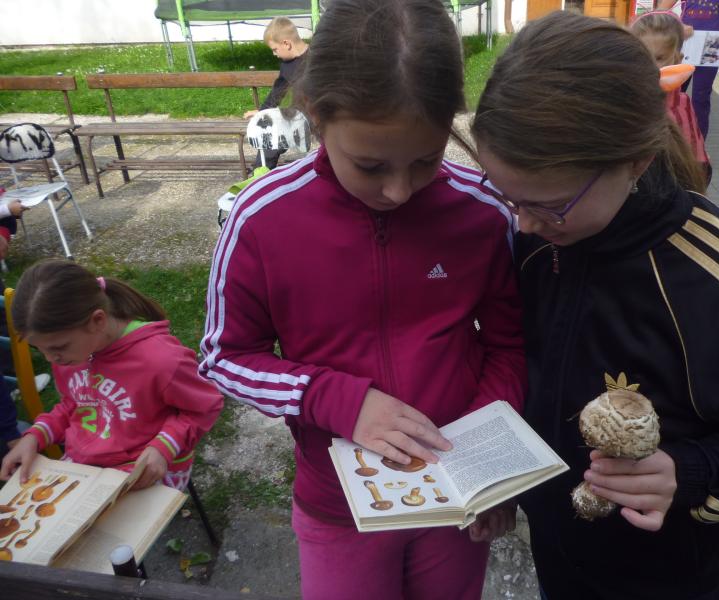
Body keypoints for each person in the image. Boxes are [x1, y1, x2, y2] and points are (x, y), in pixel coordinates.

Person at [201, 0, 526, 597]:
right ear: (316, 116)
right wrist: (337, 401)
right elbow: (225, 357)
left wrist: (489, 466)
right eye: (370, 165)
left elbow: (512, 345)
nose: (399, 190)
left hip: (456, 498)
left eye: (426, 161)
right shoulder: (260, 218)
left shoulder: (482, 210)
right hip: (337, 509)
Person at [472, 11, 719, 600]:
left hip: (666, 576)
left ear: (636, 161)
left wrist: (690, 475)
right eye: (507, 196)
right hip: (554, 551)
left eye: (547, 205)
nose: (522, 223)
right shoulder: (537, 237)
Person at [0, 259, 224, 491]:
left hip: (148, 466)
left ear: (97, 320)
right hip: (84, 463)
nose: (50, 359)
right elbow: (73, 405)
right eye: (40, 350)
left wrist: (163, 446)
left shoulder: (161, 360)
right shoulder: (70, 354)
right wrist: (34, 436)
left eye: (58, 348)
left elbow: (204, 407)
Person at [631, 10, 711, 180]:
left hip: (676, 182)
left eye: (660, 58)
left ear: (677, 59)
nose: (651, 65)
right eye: (642, 55)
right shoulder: (626, 100)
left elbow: (695, 152)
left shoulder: (682, 104)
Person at [656, 0, 719, 139]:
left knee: (702, 97)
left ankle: (699, 142)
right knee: (674, 92)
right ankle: (668, 138)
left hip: (712, 43)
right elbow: (661, 10)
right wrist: (678, 26)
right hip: (686, 42)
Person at [242, 16, 309, 170]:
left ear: (286, 44)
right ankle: (261, 173)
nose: (274, 54)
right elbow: (277, 91)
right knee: (271, 131)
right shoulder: (287, 65)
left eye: (275, 49)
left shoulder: (317, 58)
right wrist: (262, 112)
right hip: (297, 113)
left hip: (322, 114)